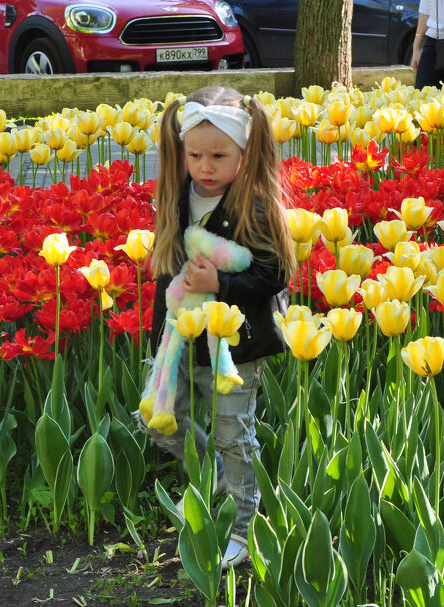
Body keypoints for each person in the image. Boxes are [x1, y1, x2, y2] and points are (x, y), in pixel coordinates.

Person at [140, 85, 294, 569]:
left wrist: (221, 284)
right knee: (156, 421)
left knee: (233, 434)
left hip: (236, 346)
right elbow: (167, 273)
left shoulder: (255, 203)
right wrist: (159, 332)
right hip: (181, 342)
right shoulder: (177, 198)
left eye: (219, 155)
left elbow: (274, 274)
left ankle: (245, 529)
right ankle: (231, 481)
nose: (205, 166)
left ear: (245, 155)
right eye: (195, 155)